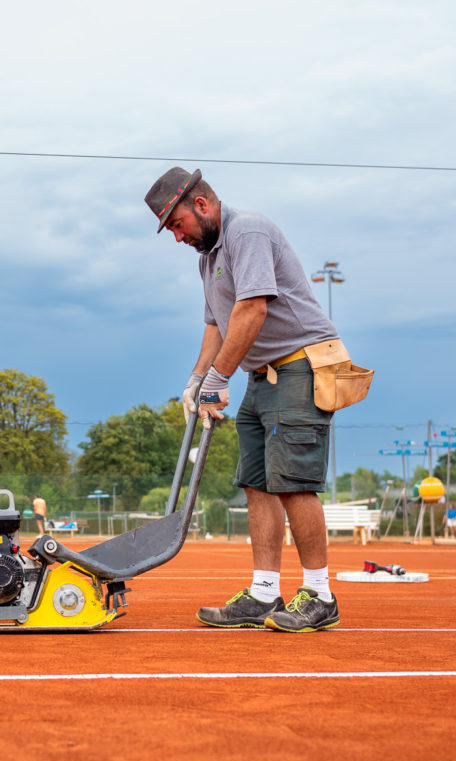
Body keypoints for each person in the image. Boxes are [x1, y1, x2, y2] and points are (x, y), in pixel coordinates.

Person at [146, 167, 344, 633]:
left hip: (300, 364)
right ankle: (262, 593)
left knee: (293, 481)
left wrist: (219, 376)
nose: (177, 237)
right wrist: (197, 378)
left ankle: (320, 594)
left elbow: (253, 308)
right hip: (261, 372)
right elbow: (217, 324)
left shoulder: (247, 231)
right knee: (257, 482)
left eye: (176, 224)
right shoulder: (206, 258)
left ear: (200, 204)